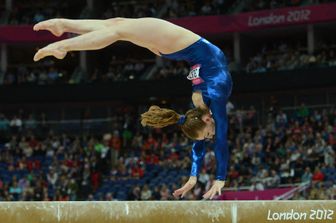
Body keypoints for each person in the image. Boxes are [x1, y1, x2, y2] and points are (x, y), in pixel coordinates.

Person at [33, 17, 233, 200]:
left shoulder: (202, 106)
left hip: (176, 43)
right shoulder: (216, 95)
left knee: (118, 29)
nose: (211, 137)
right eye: (209, 136)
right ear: (206, 120)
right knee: (116, 26)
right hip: (175, 45)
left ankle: (62, 42)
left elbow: (199, 138)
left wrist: (193, 177)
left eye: (208, 137)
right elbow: (220, 138)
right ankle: (63, 34)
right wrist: (219, 178)